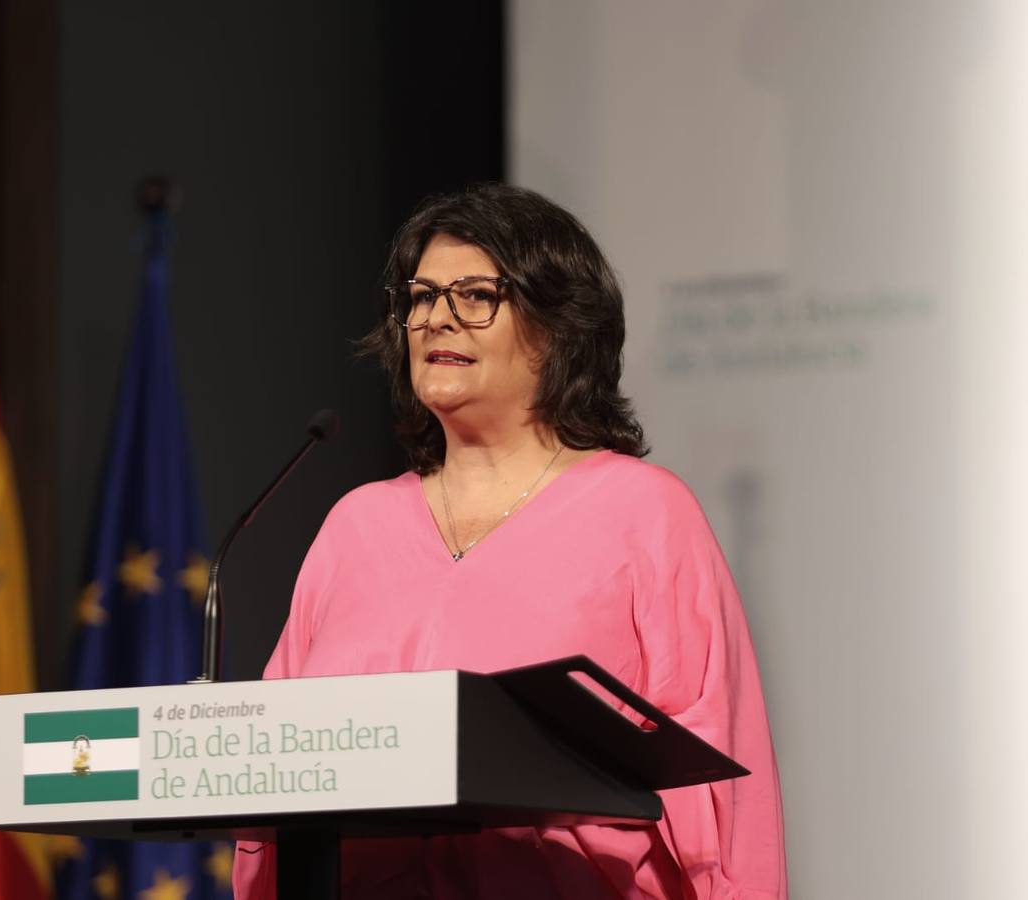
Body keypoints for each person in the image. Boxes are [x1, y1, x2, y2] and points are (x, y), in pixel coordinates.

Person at [234, 184, 787, 899]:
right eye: (422, 297)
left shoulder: (642, 513)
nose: (437, 319)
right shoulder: (356, 526)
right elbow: (275, 767)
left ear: (557, 327)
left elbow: (721, 788)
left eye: (474, 296)